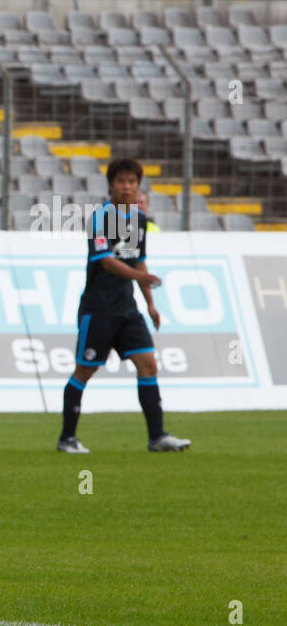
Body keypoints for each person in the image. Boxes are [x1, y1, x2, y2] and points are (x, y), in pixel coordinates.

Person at [58, 157, 190, 454]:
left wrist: (151, 304)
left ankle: (157, 437)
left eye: (132, 181)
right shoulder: (101, 217)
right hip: (99, 308)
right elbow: (106, 262)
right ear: (111, 185)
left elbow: (138, 260)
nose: (127, 186)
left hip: (127, 309)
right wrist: (141, 276)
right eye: (122, 181)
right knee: (84, 370)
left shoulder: (139, 220)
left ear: (138, 185)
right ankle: (67, 438)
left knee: (148, 363)